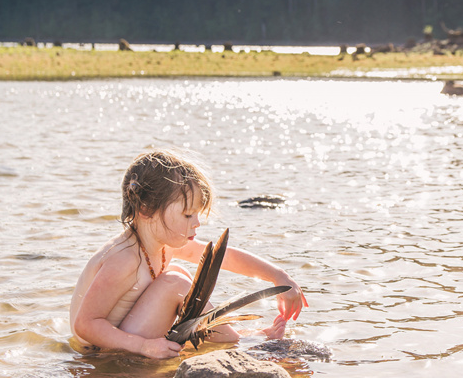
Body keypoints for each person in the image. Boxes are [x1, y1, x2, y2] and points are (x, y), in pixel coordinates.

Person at [69, 149, 307, 359]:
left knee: (177, 274)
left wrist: (278, 276)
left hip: (124, 340)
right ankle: (239, 341)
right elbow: (85, 325)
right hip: (101, 354)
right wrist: (143, 346)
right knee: (175, 282)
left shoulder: (161, 243)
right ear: (146, 209)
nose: (197, 223)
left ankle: (234, 336)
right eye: (187, 215)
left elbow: (223, 257)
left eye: (197, 214)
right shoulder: (124, 259)